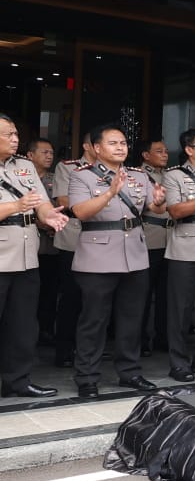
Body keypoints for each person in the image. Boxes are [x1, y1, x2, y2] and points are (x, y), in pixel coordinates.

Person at [68, 125, 168, 399]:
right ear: (97, 148)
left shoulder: (138, 175)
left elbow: (154, 208)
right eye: (113, 143)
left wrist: (160, 202)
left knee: (132, 319)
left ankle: (130, 372)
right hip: (97, 258)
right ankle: (87, 377)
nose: (120, 147)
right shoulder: (82, 176)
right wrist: (109, 193)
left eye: (123, 142)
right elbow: (80, 212)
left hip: (134, 255)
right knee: (94, 320)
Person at [0, 114, 68, 398]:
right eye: (8, 134)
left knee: (24, 324)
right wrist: (16, 206)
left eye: (16, 134)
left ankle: (17, 380)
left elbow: (40, 202)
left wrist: (49, 216)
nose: (15, 139)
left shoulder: (24, 165)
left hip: (27, 254)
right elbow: (21, 204)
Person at [163, 129, 195, 382]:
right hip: (185, 249)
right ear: (188, 150)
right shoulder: (174, 175)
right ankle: (178, 363)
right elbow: (175, 210)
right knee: (181, 311)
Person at [51, 131, 94, 369]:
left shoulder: (113, 170)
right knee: (71, 296)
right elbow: (64, 201)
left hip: (104, 240)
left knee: (94, 299)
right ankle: (64, 349)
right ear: (88, 146)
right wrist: (99, 201)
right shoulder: (67, 167)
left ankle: (87, 348)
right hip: (74, 237)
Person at [137, 138, 171, 357]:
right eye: (159, 151)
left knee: (167, 294)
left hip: (171, 239)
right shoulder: (139, 175)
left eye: (166, 151)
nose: (165, 154)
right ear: (146, 155)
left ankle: (163, 337)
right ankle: (140, 339)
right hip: (150, 238)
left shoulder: (170, 175)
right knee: (143, 293)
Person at [25, 137, 59, 344]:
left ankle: (45, 331)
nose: (49, 156)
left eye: (51, 153)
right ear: (30, 155)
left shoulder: (56, 179)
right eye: (44, 152)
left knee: (49, 291)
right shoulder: (20, 178)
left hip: (51, 245)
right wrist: (39, 222)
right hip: (28, 243)